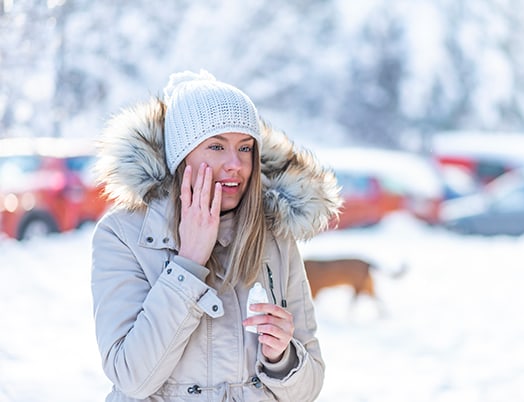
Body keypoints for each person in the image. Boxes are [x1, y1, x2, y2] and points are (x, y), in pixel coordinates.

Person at [91, 69, 341, 401]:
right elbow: (131, 377)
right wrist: (188, 264)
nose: (235, 164)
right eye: (216, 146)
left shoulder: (275, 237)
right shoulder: (124, 234)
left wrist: (282, 358)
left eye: (245, 147)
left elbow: (310, 385)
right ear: (182, 155)